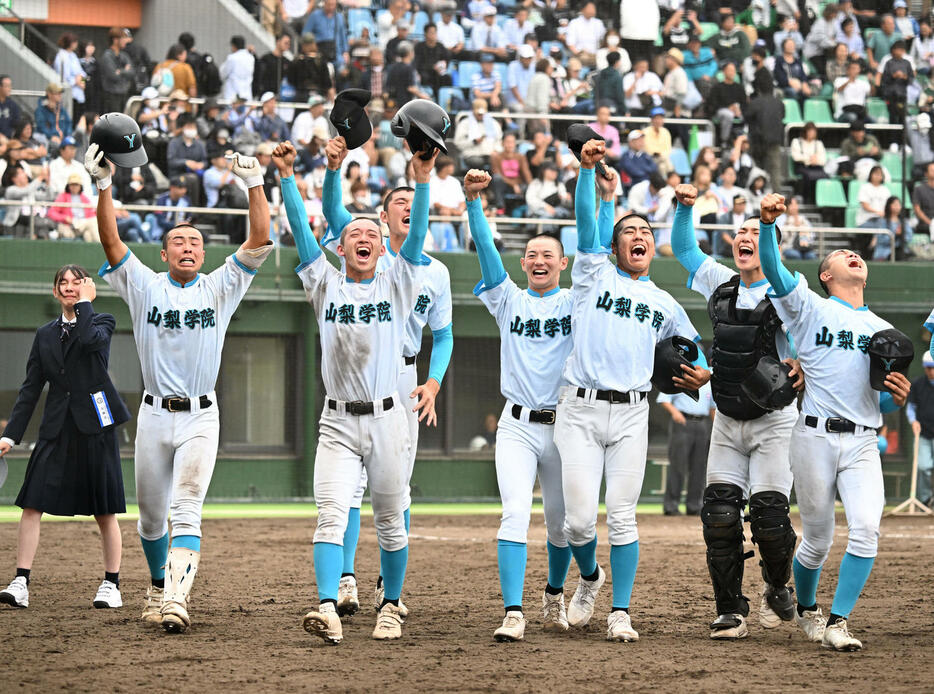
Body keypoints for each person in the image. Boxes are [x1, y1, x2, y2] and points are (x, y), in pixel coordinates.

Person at [86, 140, 272, 633]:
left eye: (194, 242)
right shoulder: (146, 285)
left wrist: (255, 183)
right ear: (164, 252)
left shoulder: (220, 286)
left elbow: (257, 239)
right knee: (150, 520)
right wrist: (104, 185)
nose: (188, 247)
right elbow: (110, 243)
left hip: (200, 416)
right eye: (179, 242)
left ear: (204, 253)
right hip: (152, 415)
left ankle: (175, 600)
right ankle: (155, 582)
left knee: (186, 508)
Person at [281, 139, 436, 644]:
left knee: (391, 520)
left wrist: (423, 179)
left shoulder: (399, 282)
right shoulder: (324, 283)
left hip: (389, 419)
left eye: (373, 230)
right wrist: (292, 176)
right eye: (355, 233)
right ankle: (327, 606)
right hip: (338, 422)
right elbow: (305, 232)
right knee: (330, 516)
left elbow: (414, 243)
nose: (366, 235)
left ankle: (390, 605)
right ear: (342, 247)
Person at [555, 139, 709, 642]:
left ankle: (620, 610)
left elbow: (693, 349)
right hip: (579, 410)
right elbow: (585, 221)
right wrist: (587, 172)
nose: (638, 236)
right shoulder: (592, 272)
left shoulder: (662, 301)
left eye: (645, 231)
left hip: (631, 416)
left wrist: (703, 373)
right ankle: (589, 577)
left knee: (622, 517)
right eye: (629, 232)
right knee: (578, 524)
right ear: (615, 245)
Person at [758, 193, 912, 652]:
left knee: (866, 527)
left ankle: (838, 621)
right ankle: (807, 607)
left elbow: (881, 404)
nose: (853, 255)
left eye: (858, 254)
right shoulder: (810, 309)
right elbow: (773, 268)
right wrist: (768, 226)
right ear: (826, 275)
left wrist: (895, 399)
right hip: (813, 437)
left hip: (864, 441)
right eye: (841, 255)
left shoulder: (886, 333)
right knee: (818, 539)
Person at [318, 135, 453, 624]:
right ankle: (347, 578)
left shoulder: (430, 271)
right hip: (355, 377)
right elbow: (334, 210)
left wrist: (433, 383)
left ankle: (388, 587)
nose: (404, 208)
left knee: (396, 490)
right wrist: (334, 168)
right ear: (381, 216)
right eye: (396, 202)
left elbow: (446, 335)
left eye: (410, 202)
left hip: (404, 374)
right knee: (346, 490)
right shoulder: (365, 253)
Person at [671, 184, 806, 639]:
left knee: (769, 520)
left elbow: (812, 343)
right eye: (740, 231)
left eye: (756, 231)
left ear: (771, 244)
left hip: (774, 423)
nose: (744, 237)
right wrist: (685, 208)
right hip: (727, 421)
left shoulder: (791, 290)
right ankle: (730, 609)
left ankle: (776, 584)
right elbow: (686, 250)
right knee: (720, 516)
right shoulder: (722, 282)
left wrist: (804, 363)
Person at [462, 167, 577, 641]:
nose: (538, 260)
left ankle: (553, 595)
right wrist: (473, 202)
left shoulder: (576, 301)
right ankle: (513, 611)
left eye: (547, 254)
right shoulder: (508, 299)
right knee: (514, 512)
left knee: (561, 525)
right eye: (530, 255)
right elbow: (489, 255)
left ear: (563, 263)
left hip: (567, 428)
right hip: (516, 426)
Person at [0, 267, 130, 610]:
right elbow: (30, 389)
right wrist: (10, 436)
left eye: (77, 282)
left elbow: (90, 342)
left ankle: (111, 584)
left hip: (96, 425)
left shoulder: (103, 320)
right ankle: (20, 581)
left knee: (105, 509)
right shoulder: (44, 335)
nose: (69, 287)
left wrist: (87, 304)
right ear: (54, 291)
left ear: (87, 288)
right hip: (56, 427)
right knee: (31, 504)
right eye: (63, 283)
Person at [657, 383, 714, 516]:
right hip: (683, 422)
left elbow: (712, 408)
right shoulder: (680, 379)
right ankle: (671, 505)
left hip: (702, 424)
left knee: (699, 467)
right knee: (678, 464)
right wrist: (675, 413)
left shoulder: (709, 383)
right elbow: (663, 399)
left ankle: (694, 505)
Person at [907, 352, 934, 507]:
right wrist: (913, 421)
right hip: (922, 433)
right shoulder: (917, 384)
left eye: (933, 367)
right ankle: (925, 499)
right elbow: (911, 407)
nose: (930, 371)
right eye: (928, 368)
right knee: (923, 466)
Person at [453, 98, 502, 170]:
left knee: (499, 159)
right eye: (478, 114)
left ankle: (495, 180)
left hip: (490, 154)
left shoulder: (494, 124)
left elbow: (499, 141)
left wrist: (496, 150)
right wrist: (473, 142)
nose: (480, 115)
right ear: (473, 111)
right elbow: (458, 143)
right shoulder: (464, 124)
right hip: (471, 154)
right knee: (477, 162)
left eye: (482, 114)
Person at [48, 174, 99, 242]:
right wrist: (65, 218)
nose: (74, 187)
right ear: (68, 186)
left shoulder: (84, 198)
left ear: (80, 186)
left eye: (76, 184)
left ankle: (96, 249)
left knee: (88, 234)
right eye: (72, 184)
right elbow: (51, 212)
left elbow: (91, 214)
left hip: (82, 225)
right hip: (70, 225)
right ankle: (101, 247)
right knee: (92, 222)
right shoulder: (63, 197)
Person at [144, 176, 191, 243]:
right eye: (180, 187)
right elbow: (161, 221)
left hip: (180, 231)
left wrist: (184, 224)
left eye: (185, 187)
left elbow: (189, 218)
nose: (184, 190)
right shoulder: (161, 199)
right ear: (172, 187)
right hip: (163, 231)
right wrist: (176, 224)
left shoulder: (186, 200)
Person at [98, 27, 134, 115]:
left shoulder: (124, 55)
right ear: (115, 40)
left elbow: (132, 73)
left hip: (124, 94)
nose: (126, 40)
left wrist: (120, 71)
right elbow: (114, 76)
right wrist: (125, 70)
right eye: (123, 38)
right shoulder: (107, 56)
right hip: (111, 96)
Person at [878, 39, 914, 125]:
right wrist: (893, 76)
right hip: (890, 94)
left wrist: (904, 77)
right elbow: (884, 80)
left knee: (902, 117)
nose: (900, 52)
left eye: (901, 50)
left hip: (902, 94)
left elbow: (911, 79)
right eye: (898, 49)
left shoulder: (907, 63)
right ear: (893, 50)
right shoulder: (888, 63)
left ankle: (902, 137)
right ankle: (892, 137)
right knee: (892, 117)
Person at [303, 0, 349, 66]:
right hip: (319, 53)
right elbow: (305, 34)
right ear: (324, 3)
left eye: (333, 4)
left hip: (336, 54)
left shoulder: (339, 17)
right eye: (329, 4)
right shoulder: (315, 16)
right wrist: (311, 45)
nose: (331, 7)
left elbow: (343, 36)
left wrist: (345, 52)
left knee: (343, 69)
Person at [790, 122, 828, 203]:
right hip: (801, 167)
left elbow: (823, 159)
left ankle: (821, 199)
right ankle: (808, 199)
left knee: (825, 176)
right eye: (810, 131)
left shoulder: (818, 143)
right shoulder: (796, 141)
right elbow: (796, 157)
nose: (812, 134)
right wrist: (809, 159)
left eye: (813, 132)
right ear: (805, 131)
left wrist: (816, 160)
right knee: (808, 176)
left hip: (816, 167)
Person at [870, 196, 912, 261]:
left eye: (898, 205)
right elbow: (881, 239)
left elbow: (909, 237)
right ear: (889, 206)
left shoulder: (904, 222)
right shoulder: (882, 221)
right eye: (895, 204)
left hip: (901, 251)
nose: (897, 207)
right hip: (886, 252)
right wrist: (895, 235)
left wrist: (901, 235)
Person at [565, 2, 605, 67]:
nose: (592, 10)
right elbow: (570, 43)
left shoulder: (598, 23)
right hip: (580, 54)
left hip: (596, 54)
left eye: (593, 8)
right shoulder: (574, 23)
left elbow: (603, 40)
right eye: (590, 8)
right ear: (582, 10)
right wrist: (579, 53)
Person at [53, 32, 87, 108]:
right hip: (69, 94)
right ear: (70, 43)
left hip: (79, 93)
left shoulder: (73, 55)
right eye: (74, 42)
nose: (76, 44)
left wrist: (82, 82)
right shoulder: (61, 57)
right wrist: (76, 81)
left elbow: (83, 73)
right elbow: (64, 78)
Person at [253, 34, 292, 99]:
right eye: (285, 43)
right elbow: (259, 76)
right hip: (266, 95)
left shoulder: (287, 62)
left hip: (281, 96)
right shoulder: (266, 59)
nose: (288, 46)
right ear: (278, 42)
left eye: (289, 44)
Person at [34, 83, 72, 148]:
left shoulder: (61, 110)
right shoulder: (41, 110)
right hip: (48, 139)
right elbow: (42, 127)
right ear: (49, 94)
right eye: (57, 93)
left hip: (62, 139)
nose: (60, 95)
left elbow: (68, 123)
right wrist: (51, 136)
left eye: (60, 93)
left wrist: (67, 136)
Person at [834, 59, 871, 124]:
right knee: (853, 117)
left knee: (872, 120)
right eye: (853, 68)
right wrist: (849, 80)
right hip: (843, 113)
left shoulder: (863, 83)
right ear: (848, 70)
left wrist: (872, 81)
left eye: (857, 69)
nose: (855, 71)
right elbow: (839, 89)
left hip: (860, 113)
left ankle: (867, 134)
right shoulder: (839, 80)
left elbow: (871, 93)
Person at [220, 36, 255, 101]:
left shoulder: (232, 58)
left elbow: (223, 73)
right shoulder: (251, 58)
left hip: (232, 96)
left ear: (233, 46)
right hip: (246, 95)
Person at [912, 161, 934, 238]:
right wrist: (930, 223)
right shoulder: (919, 189)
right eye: (932, 170)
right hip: (925, 224)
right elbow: (917, 209)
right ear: (926, 173)